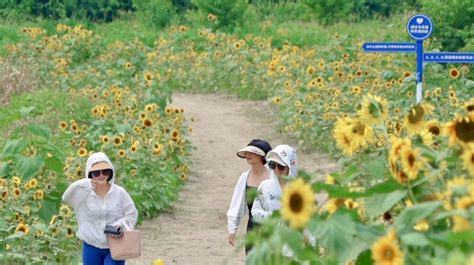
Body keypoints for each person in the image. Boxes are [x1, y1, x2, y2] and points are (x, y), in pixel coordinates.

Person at [62, 152, 138, 265]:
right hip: (91, 247)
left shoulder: (119, 192)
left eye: (105, 171)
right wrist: (84, 183)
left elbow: (131, 213)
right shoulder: (84, 194)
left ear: (110, 172)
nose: (101, 175)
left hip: (116, 245)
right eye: (96, 173)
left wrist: (120, 224)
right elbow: (66, 197)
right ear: (90, 174)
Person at [227, 139, 272, 254]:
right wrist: (232, 229)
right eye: (247, 152)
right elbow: (236, 203)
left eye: (252, 152)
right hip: (253, 227)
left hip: (272, 226)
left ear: (262, 156)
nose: (247, 155)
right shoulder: (244, 178)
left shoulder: (273, 178)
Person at [251, 144, 298, 221]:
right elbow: (255, 211)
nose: (276, 169)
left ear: (290, 166)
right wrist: (272, 217)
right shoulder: (265, 186)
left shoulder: (301, 189)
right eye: (272, 165)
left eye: (281, 166)